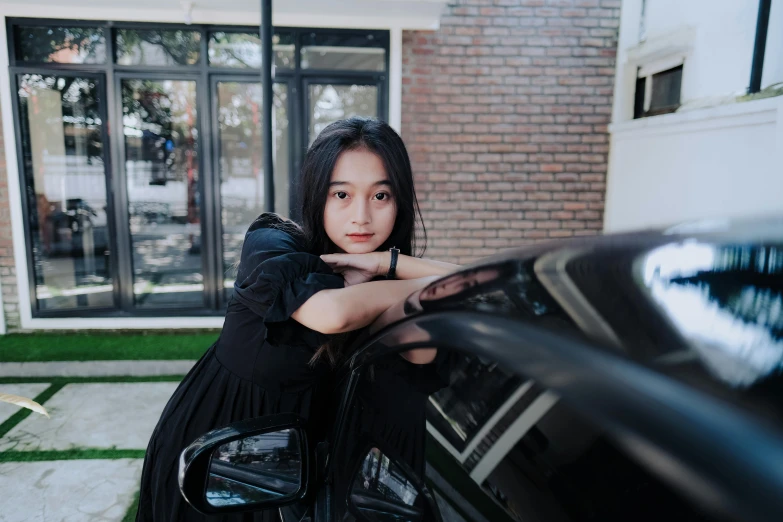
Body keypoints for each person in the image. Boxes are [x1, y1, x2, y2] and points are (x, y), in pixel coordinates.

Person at [135, 117, 458, 521]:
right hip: (216, 452)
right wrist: (417, 285)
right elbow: (332, 313)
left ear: (400, 203)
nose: (361, 216)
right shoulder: (273, 245)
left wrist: (386, 262)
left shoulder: (379, 284)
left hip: (290, 475)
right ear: (315, 195)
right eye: (341, 194)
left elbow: (468, 289)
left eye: (380, 197)